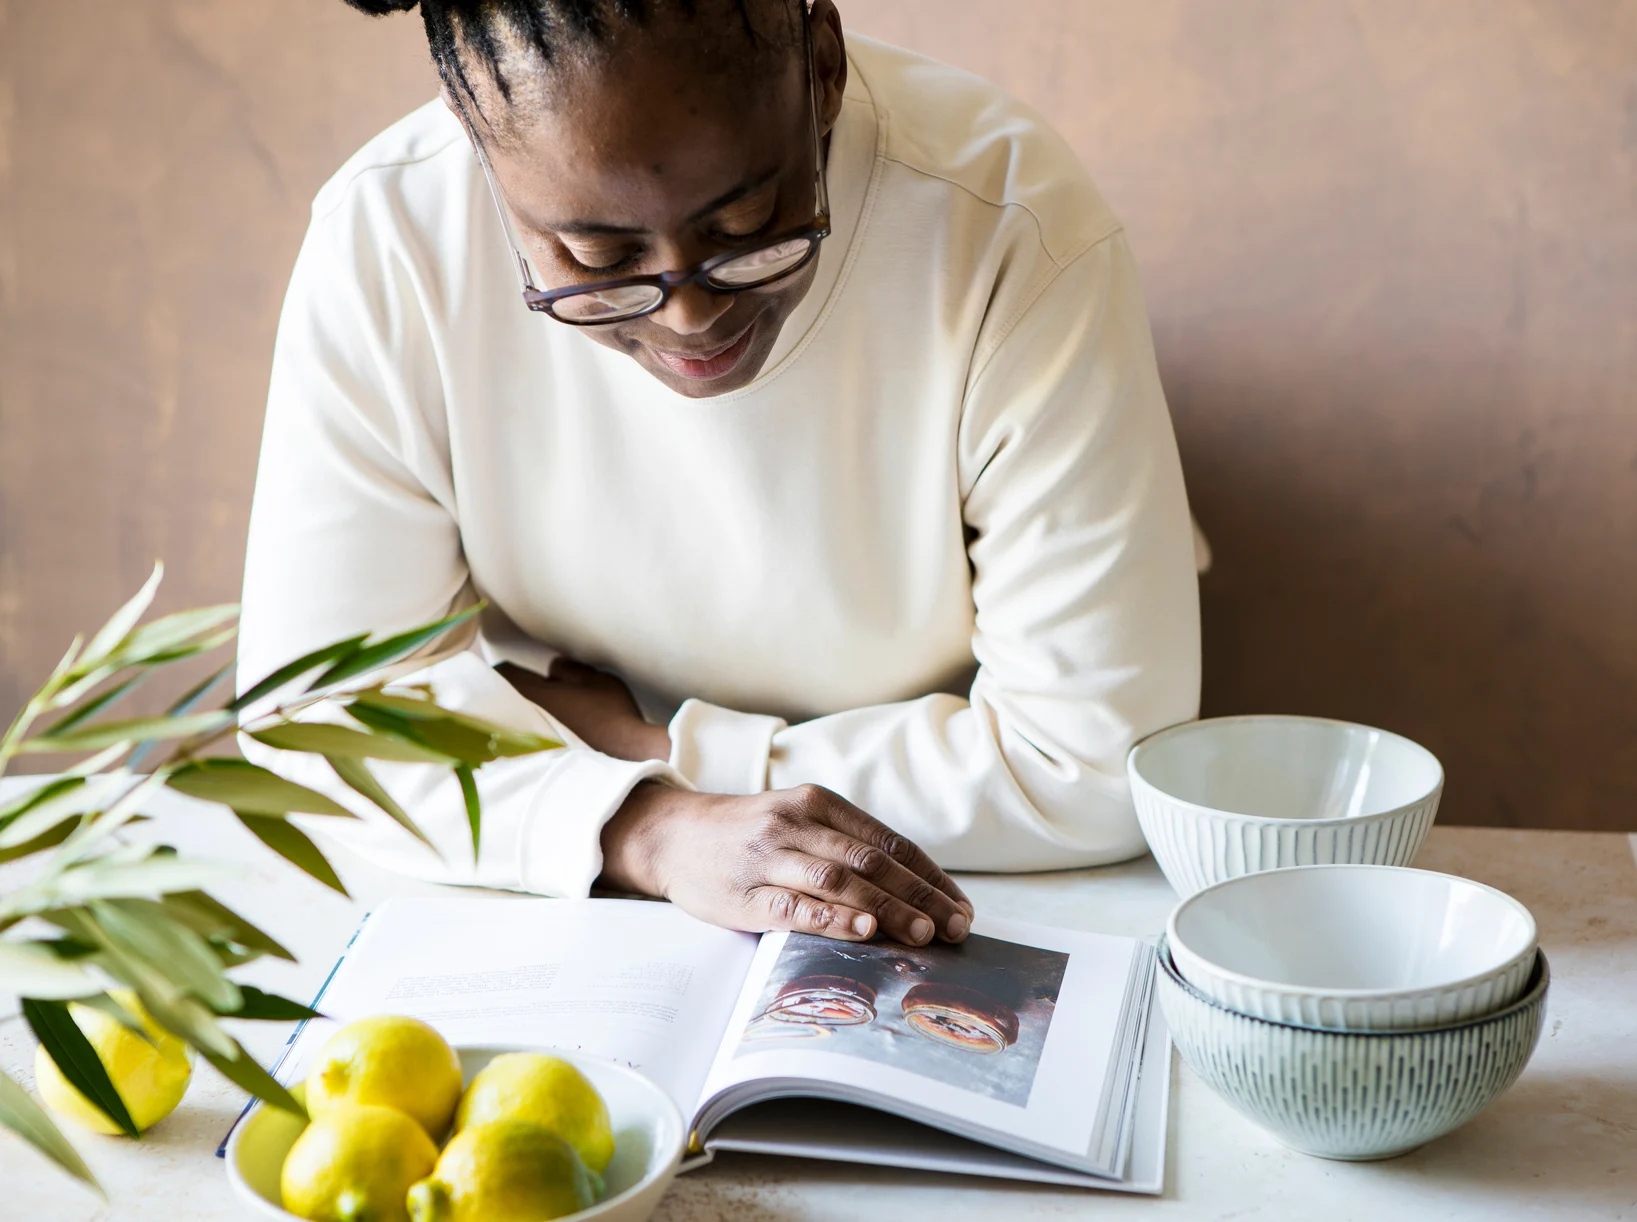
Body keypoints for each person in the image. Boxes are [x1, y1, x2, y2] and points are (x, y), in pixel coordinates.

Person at [238, 0, 1201, 950]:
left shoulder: (1007, 219)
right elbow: (315, 722)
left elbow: (1096, 763)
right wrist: (643, 827)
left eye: (748, 227)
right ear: (474, 138)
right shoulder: (389, 235)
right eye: (596, 259)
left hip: (965, 871)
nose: (690, 318)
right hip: (611, 856)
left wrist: (651, 752)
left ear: (821, 66)